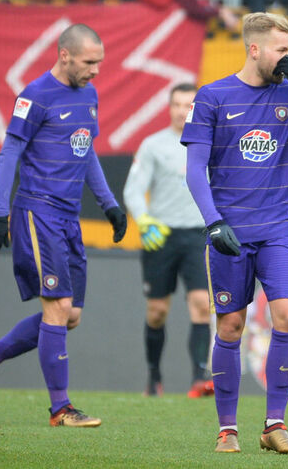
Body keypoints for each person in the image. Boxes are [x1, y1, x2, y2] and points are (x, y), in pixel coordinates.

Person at [181, 12, 288, 454]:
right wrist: (213, 221)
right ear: (254, 49)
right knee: (231, 325)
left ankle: (274, 425)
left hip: (278, 228)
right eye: (281, 50)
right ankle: (227, 429)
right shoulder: (213, 96)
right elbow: (194, 170)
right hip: (229, 228)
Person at [0, 24, 127, 427]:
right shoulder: (35, 95)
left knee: (70, 316)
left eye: (100, 63)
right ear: (65, 55)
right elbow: (10, 152)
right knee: (56, 310)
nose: (96, 71)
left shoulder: (89, 94)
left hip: (69, 217)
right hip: (38, 214)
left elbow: (85, 151)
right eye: (90, 63)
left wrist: (109, 204)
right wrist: (0, 213)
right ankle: (61, 409)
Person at [122, 83, 213, 399]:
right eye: (176, 104)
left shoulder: (209, 140)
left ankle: (200, 378)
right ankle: (154, 377)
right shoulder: (153, 145)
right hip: (160, 235)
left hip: (198, 235)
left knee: (202, 305)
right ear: (169, 107)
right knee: (157, 310)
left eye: (189, 104)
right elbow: (133, 189)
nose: (181, 110)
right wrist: (143, 219)